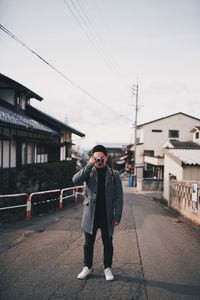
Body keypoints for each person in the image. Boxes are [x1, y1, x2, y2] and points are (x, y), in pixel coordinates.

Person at [73, 145, 123, 281]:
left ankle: (107, 268)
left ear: (106, 158)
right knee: (88, 243)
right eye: (96, 158)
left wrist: (117, 216)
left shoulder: (114, 174)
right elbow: (75, 180)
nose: (99, 160)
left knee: (108, 243)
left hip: (107, 215)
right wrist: (89, 164)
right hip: (91, 215)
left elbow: (119, 197)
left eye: (101, 157)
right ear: (93, 158)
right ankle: (87, 267)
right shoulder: (89, 172)